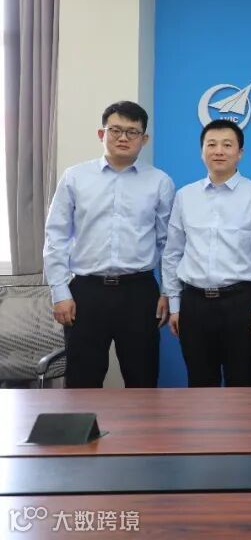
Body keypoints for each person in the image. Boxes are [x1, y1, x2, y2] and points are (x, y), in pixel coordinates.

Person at [43, 101, 175, 388]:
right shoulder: (75, 177)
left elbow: (167, 244)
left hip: (139, 292)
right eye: (115, 130)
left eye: (132, 132)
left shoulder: (160, 182)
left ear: (144, 139)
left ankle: (141, 422)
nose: (123, 137)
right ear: (101, 134)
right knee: (82, 382)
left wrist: (168, 291)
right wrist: (59, 291)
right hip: (86, 292)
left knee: (142, 380)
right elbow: (56, 237)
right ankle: (83, 423)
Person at [162, 119, 251, 387]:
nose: (219, 151)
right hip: (194, 303)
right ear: (202, 151)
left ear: (240, 152)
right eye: (211, 144)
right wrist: (175, 304)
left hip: (240, 302)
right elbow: (172, 253)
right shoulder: (185, 195)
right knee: (200, 384)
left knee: (242, 382)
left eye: (227, 145)